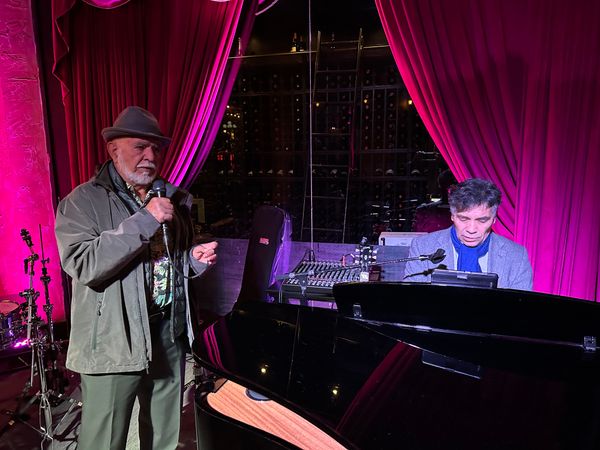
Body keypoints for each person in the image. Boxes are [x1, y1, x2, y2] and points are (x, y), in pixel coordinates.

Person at [54, 106, 218, 449]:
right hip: (114, 342)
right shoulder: (82, 202)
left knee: (163, 438)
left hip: (167, 334)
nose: (150, 157)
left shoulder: (170, 198)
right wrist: (145, 219)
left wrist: (191, 261)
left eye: (155, 149)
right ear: (113, 149)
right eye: (140, 147)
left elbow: (165, 263)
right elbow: (84, 264)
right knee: (104, 441)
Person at [403, 178, 532, 290]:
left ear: (494, 219)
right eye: (464, 219)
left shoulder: (516, 255)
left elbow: (520, 309)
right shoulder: (422, 247)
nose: (471, 229)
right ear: (452, 216)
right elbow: (412, 302)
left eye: (482, 220)